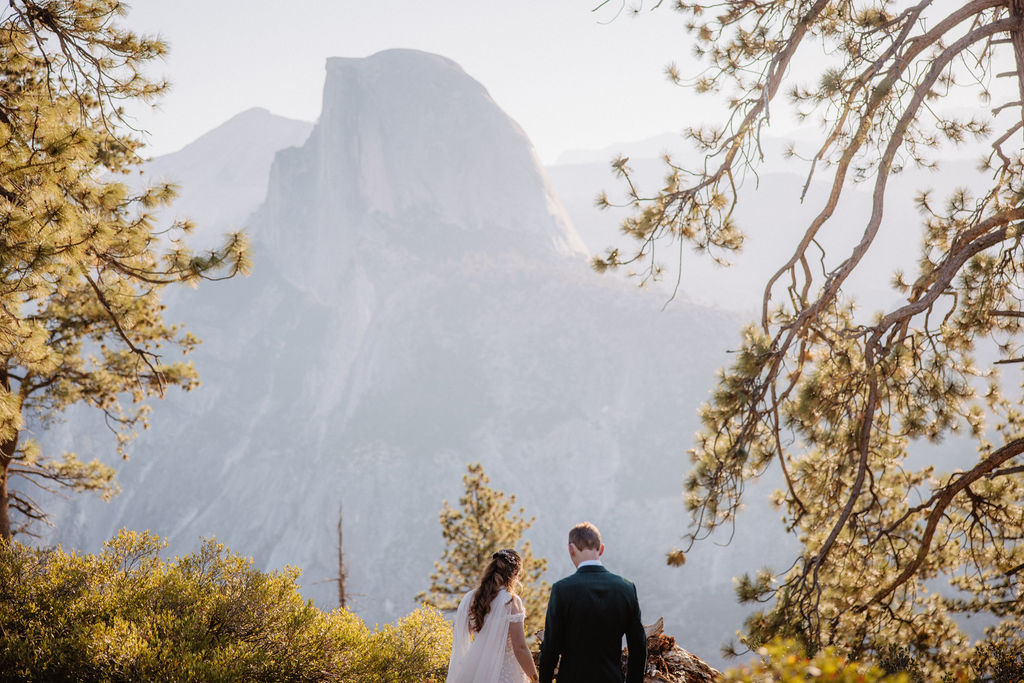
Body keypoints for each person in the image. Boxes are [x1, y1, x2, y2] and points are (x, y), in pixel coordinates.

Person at [538, 522, 647, 683]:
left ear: (571, 549)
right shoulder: (626, 589)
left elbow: (551, 648)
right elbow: (638, 647)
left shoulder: (562, 590)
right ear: (601, 549)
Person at [446, 548, 540, 683]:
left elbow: (466, 633)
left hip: (476, 670)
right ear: (514, 573)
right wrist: (535, 678)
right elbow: (520, 648)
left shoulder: (471, 597)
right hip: (505, 673)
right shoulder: (510, 602)